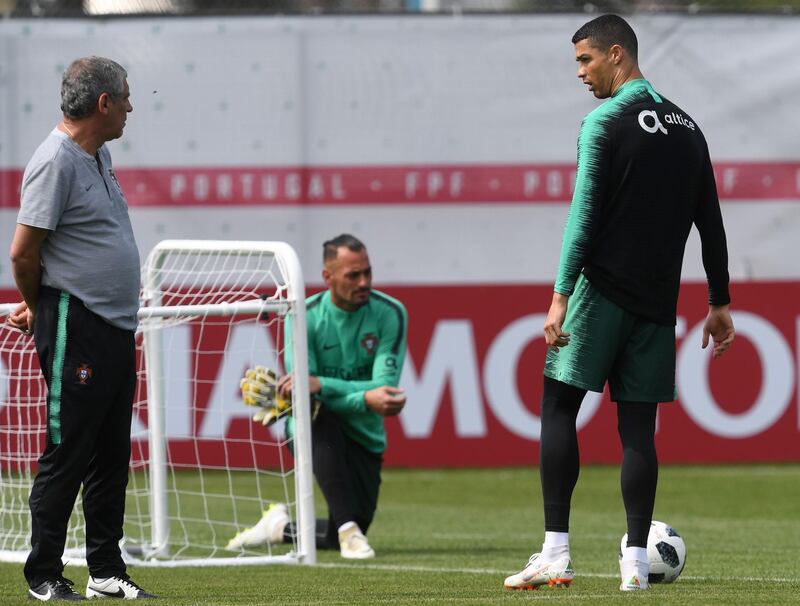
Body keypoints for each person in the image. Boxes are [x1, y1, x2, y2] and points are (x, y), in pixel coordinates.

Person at [503, 15, 735, 593]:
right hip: (658, 305)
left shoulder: (604, 121)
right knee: (638, 432)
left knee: (558, 407)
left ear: (616, 54)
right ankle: (635, 563)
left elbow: (583, 218)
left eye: (585, 60)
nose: (580, 73)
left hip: (600, 292)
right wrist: (719, 300)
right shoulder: (690, 129)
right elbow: (711, 222)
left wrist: (560, 298)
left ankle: (556, 552)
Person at [8, 57, 156, 600]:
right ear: (104, 103)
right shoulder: (54, 161)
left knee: (112, 452)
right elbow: (23, 253)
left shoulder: (98, 154)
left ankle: (105, 571)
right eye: (126, 97)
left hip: (113, 325)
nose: (131, 107)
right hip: (77, 321)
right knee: (68, 449)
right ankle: (43, 573)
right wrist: (37, 303)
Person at [226, 234, 407, 559]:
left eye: (367, 272)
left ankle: (280, 527)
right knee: (314, 409)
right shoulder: (303, 315)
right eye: (353, 275)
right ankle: (349, 532)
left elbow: (385, 386)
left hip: (365, 432)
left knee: (352, 520)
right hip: (313, 427)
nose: (364, 281)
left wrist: (322, 385)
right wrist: (363, 397)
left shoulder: (390, 313)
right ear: (328, 277)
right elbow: (302, 390)